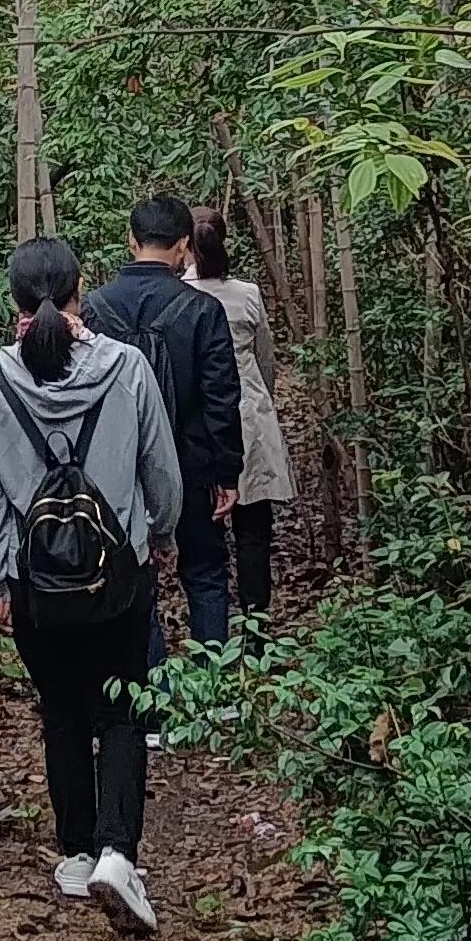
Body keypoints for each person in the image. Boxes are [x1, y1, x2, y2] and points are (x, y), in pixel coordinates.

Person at [0, 234, 183, 937]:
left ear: (14, 300)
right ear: (80, 290)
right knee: (121, 708)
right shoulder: (127, 368)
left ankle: (75, 851)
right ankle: (119, 853)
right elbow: (161, 472)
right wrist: (162, 535)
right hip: (119, 576)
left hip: (35, 586)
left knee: (61, 710)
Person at [83, 185, 244, 657]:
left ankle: (146, 711)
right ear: (183, 247)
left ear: (131, 242)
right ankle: (214, 699)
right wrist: (227, 472)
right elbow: (221, 399)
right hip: (191, 464)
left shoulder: (94, 308)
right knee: (207, 573)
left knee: (134, 585)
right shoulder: (203, 310)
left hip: (117, 472)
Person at [186, 207, 293, 633]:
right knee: (253, 533)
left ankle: (212, 631)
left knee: (206, 534)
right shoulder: (246, 294)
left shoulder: (181, 294)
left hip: (200, 421)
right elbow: (265, 360)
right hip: (249, 416)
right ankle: (256, 628)